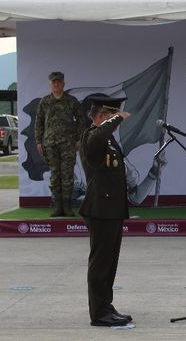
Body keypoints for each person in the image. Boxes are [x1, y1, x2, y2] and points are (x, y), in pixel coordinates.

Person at [78, 96, 132, 327]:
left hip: (112, 208)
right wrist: (116, 119)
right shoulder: (92, 136)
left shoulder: (107, 139)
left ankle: (106, 306)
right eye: (111, 115)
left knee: (109, 263)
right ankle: (99, 313)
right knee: (100, 264)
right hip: (100, 208)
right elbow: (97, 137)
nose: (116, 120)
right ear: (100, 116)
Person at [35, 71, 87, 217]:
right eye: (54, 82)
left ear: (63, 84)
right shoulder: (44, 102)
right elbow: (38, 122)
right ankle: (57, 207)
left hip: (68, 145)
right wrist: (39, 141)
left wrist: (79, 139)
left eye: (59, 82)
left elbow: (81, 120)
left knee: (67, 175)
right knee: (55, 175)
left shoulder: (72, 101)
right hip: (50, 144)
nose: (56, 84)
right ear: (50, 84)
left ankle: (67, 207)